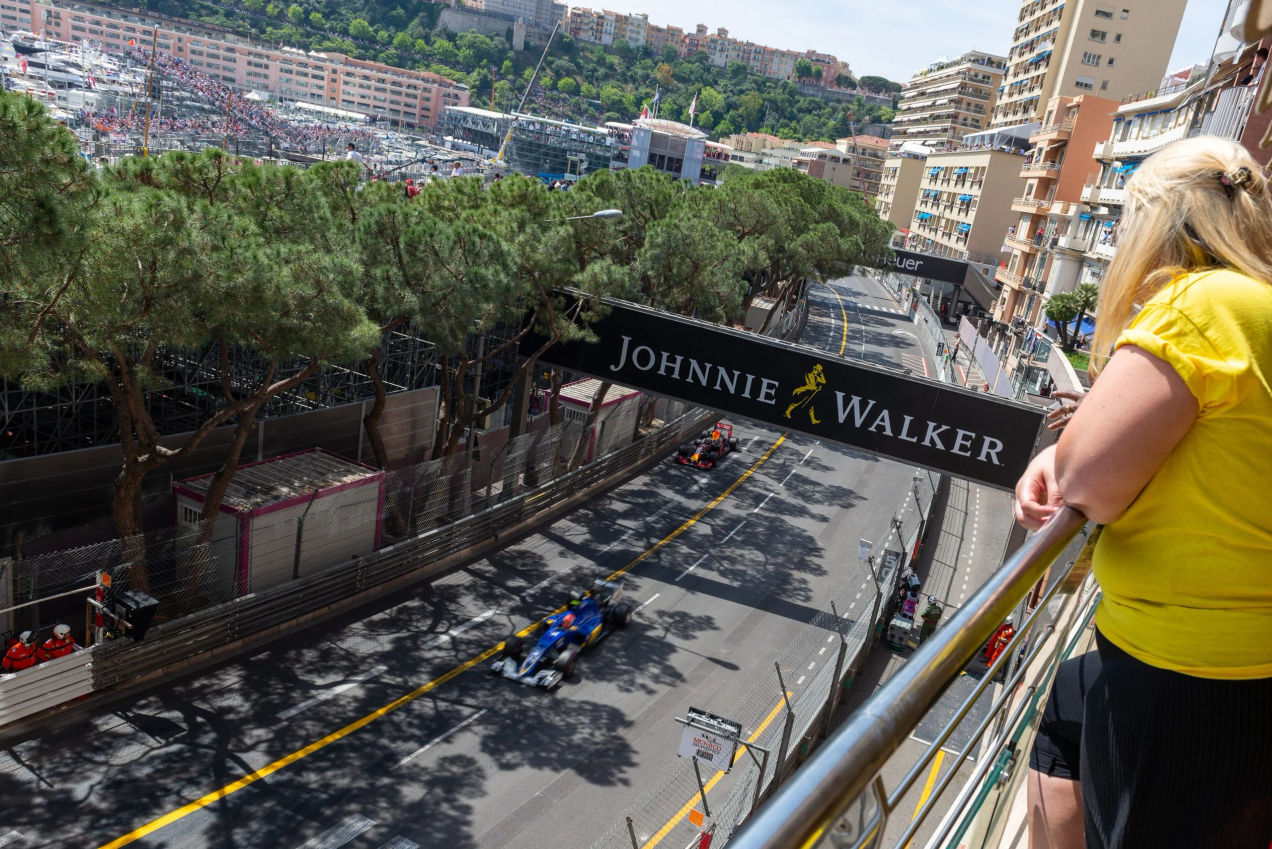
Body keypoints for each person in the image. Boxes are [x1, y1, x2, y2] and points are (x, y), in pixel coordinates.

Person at [1015, 136, 1272, 848]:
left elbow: (1086, 479)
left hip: (1184, 672)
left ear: (1157, 228)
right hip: (1248, 661)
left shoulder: (1201, 302)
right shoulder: (1258, 309)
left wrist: (1060, 467)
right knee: (1068, 701)